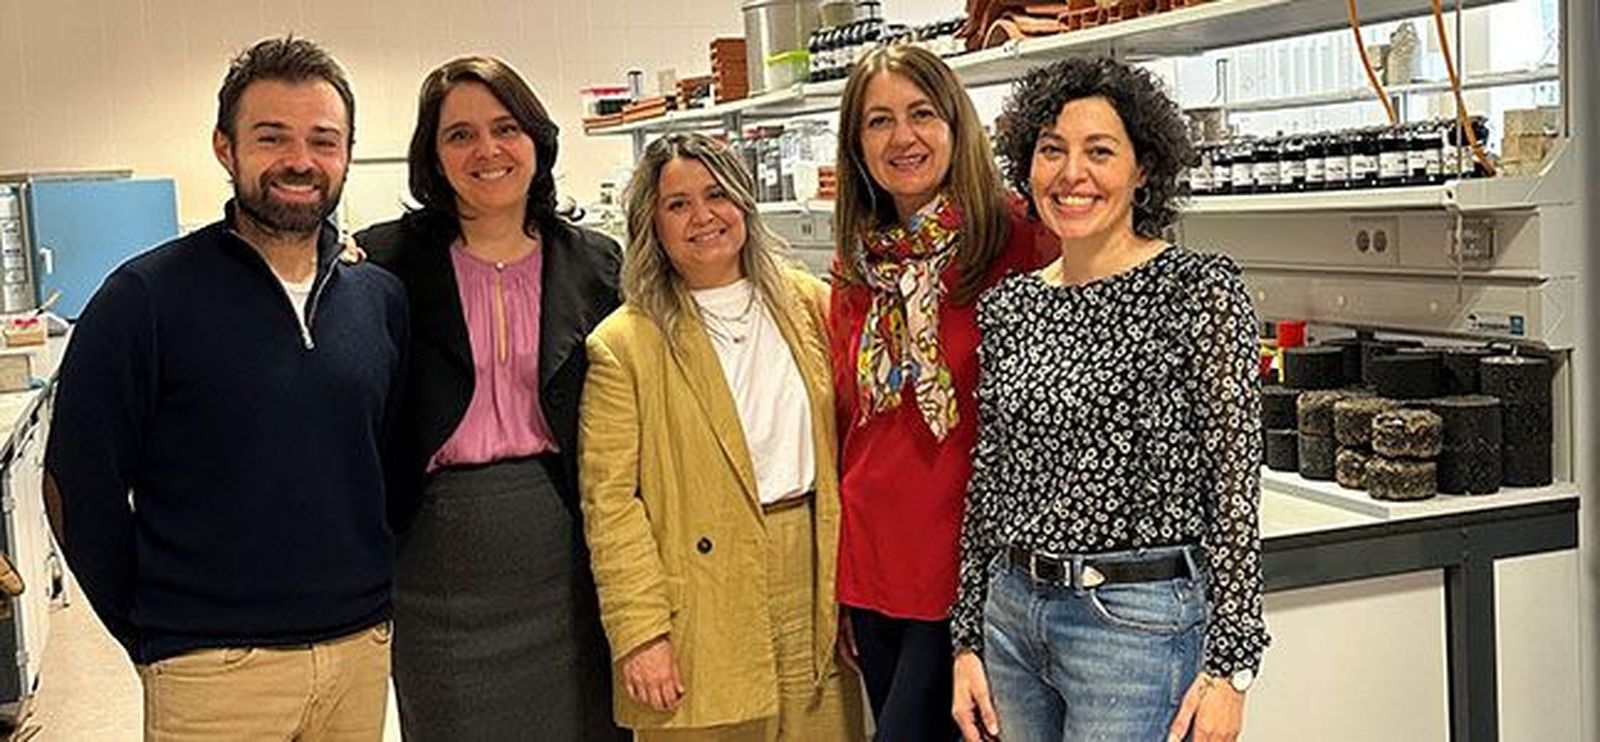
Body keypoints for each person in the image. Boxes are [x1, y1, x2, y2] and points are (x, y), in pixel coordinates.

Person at [43, 36, 407, 739]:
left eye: (323, 141)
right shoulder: (143, 299)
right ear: (225, 147)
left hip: (359, 655)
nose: (300, 161)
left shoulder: (378, 299)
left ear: (347, 154)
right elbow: (75, 485)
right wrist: (157, 634)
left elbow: (383, 464)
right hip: (212, 670)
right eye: (272, 137)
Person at [949, 57, 1271, 742]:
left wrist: (1232, 667)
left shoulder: (1197, 290)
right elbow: (990, 481)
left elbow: (1235, 482)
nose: (1072, 175)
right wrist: (968, 636)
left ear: (1142, 168)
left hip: (1136, 625)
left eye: (1100, 151)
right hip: (1011, 616)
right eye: (1051, 151)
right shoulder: (1011, 305)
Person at [355, 55, 626, 740]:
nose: (487, 151)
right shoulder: (379, 265)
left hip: (569, 551)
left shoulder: (595, 264)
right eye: (460, 135)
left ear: (536, 139)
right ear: (433, 156)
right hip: (437, 560)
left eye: (505, 128)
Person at [579, 132, 865, 741]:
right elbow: (610, 505)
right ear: (651, 223)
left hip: (812, 574)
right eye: (677, 204)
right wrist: (641, 632)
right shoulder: (625, 344)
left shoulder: (809, 304)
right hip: (696, 605)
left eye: (716, 195)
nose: (703, 216)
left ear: (743, 203)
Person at [828, 43, 1050, 741]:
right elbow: (846, 424)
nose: (903, 137)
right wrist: (837, 587)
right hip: (873, 566)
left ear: (956, 123)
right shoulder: (858, 264)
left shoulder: (1020, 243)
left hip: (969, 567)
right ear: (856, 145)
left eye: (921, 113)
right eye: (879, 121)